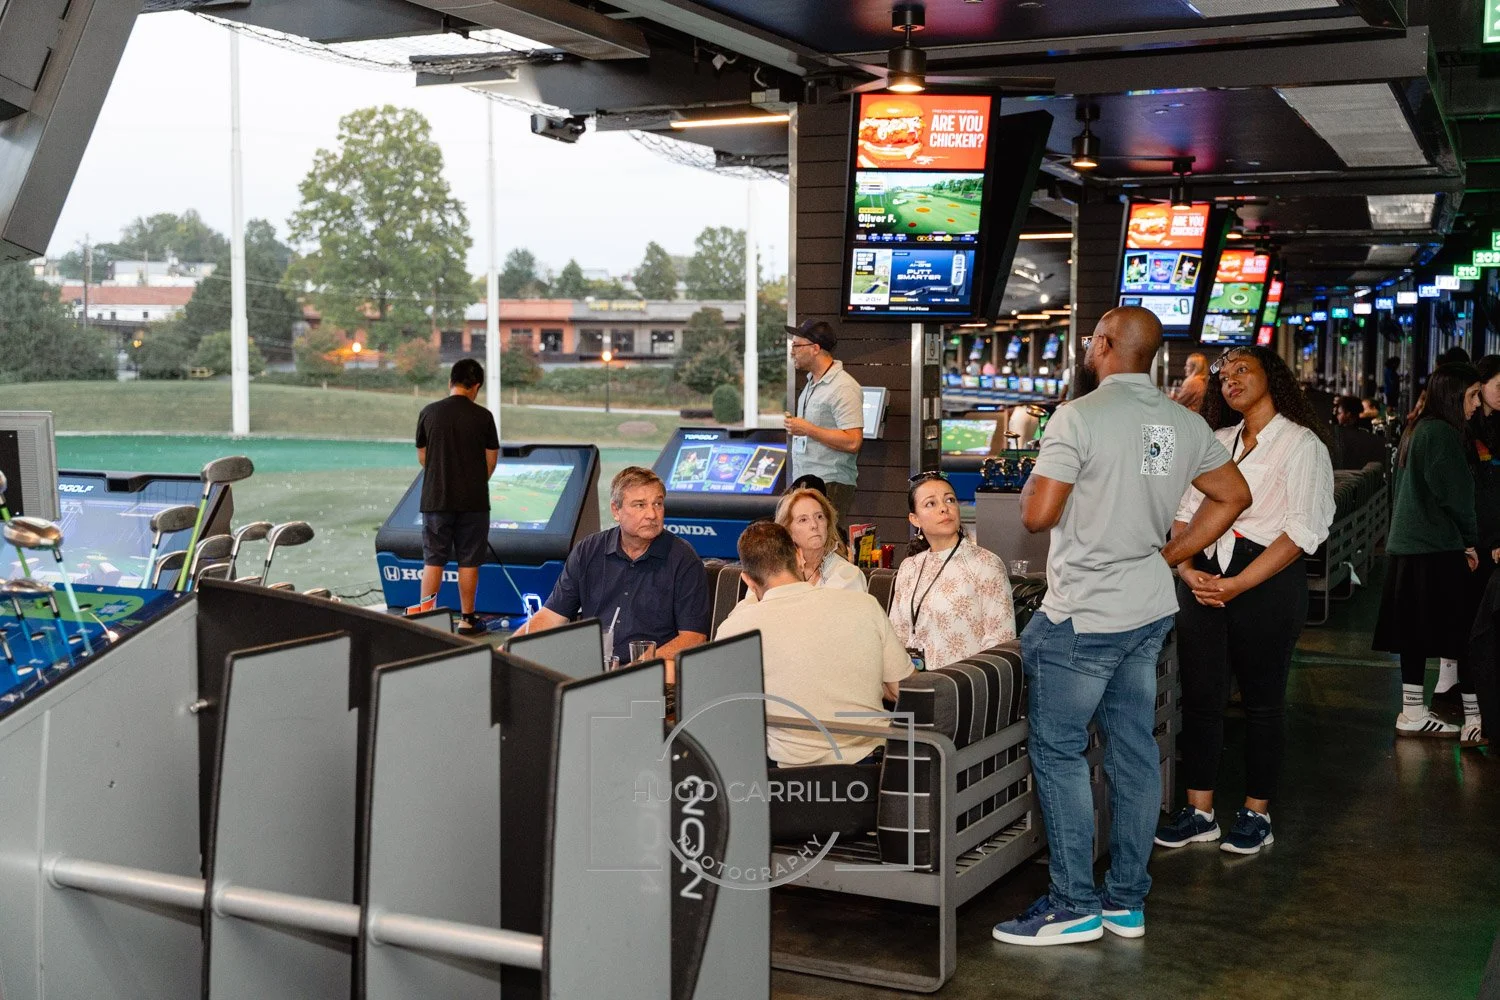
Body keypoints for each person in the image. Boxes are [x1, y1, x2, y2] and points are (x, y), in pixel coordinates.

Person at [991, 306, 1250, 948]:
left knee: (1059, 752)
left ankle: (1072, 902)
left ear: (1104, 345)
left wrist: (1033, 487)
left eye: (1090, 338)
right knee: (1134, 752)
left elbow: (1038, 515)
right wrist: (1170, 555)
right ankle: (1126, 901)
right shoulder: (1182, 423)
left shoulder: (1077, 417)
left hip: (1083, 616)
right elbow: (1234, 495)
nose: (1087, 345)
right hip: (1146, 611)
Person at [1154, 346, 1335, 856]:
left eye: (1242, 370)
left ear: (1272, 378)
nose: (1230, 379)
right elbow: (1185, 512)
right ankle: (1199, 811)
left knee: (1262, 704)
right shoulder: (1215, 440)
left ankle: (1257, 814)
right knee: (1203, 699)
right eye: (1223, 374)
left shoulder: (1302, 445)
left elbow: (1302, 530)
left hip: (1266, 583)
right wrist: (1187, 569)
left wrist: (1237, 584)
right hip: (1204, 578)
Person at [716, 521, 912, 767]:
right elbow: (903, 690)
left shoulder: (736, 628)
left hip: (794, 784)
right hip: (875, 773)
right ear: (799, 557)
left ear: (747, 580)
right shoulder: (865, 604)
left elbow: (724, 715)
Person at [1372, 363, 1483, 738]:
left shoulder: (1417, 428)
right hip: (1435, 548)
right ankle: (1474, 720)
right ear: (1454, 395)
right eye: (1471, 395)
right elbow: (1457, 497)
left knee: (1413, 636)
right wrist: (1470, 540)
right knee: (1462, 633)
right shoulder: (1442, 434)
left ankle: (1413, 712)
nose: (1476, 404)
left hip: (1407, 547)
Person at [514, 466, 709, 678]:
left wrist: (641, 666)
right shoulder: (588, 550)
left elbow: (693, 637)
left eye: (658, 504)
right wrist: (504, 654)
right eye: (640, 505)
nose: (652, 514)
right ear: (616, 511)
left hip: (654, 669)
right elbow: (551, 617)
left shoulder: (683, 558)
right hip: (593, 667)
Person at [410, 358, 500, 637]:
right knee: (469, 561)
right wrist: (471, 481)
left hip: (436, 499)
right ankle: (467, 620)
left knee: (433, 559)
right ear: (476, 386)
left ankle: (427, 618)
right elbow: (491, 460)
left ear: (450, 382)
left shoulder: (429, 413)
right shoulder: (483, 417)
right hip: (473, 501)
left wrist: (442, 476)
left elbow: (423, 456)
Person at [888, 472, 1015, 671]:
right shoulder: (909, 567)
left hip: (963, 685)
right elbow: (896, 635)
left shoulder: (986, 564)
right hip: (911, 683)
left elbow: (1000, 641)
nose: (944, 508)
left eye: (950, 500)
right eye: (931, 503)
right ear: (915, 519)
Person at [784, 319, 865, 523]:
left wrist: (808, 429)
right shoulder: (812, 383)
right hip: (806, 480)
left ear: (815, 349)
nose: (792, 351)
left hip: (831, 483)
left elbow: (853, 441)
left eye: (796, 345)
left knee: (825, 548)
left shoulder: (843, 387)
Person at [1333, 396, 1387, 471]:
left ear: (1348, 414)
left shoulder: (1338, 436)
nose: (1337, 416)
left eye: (1339, 413)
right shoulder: (1369, 435)